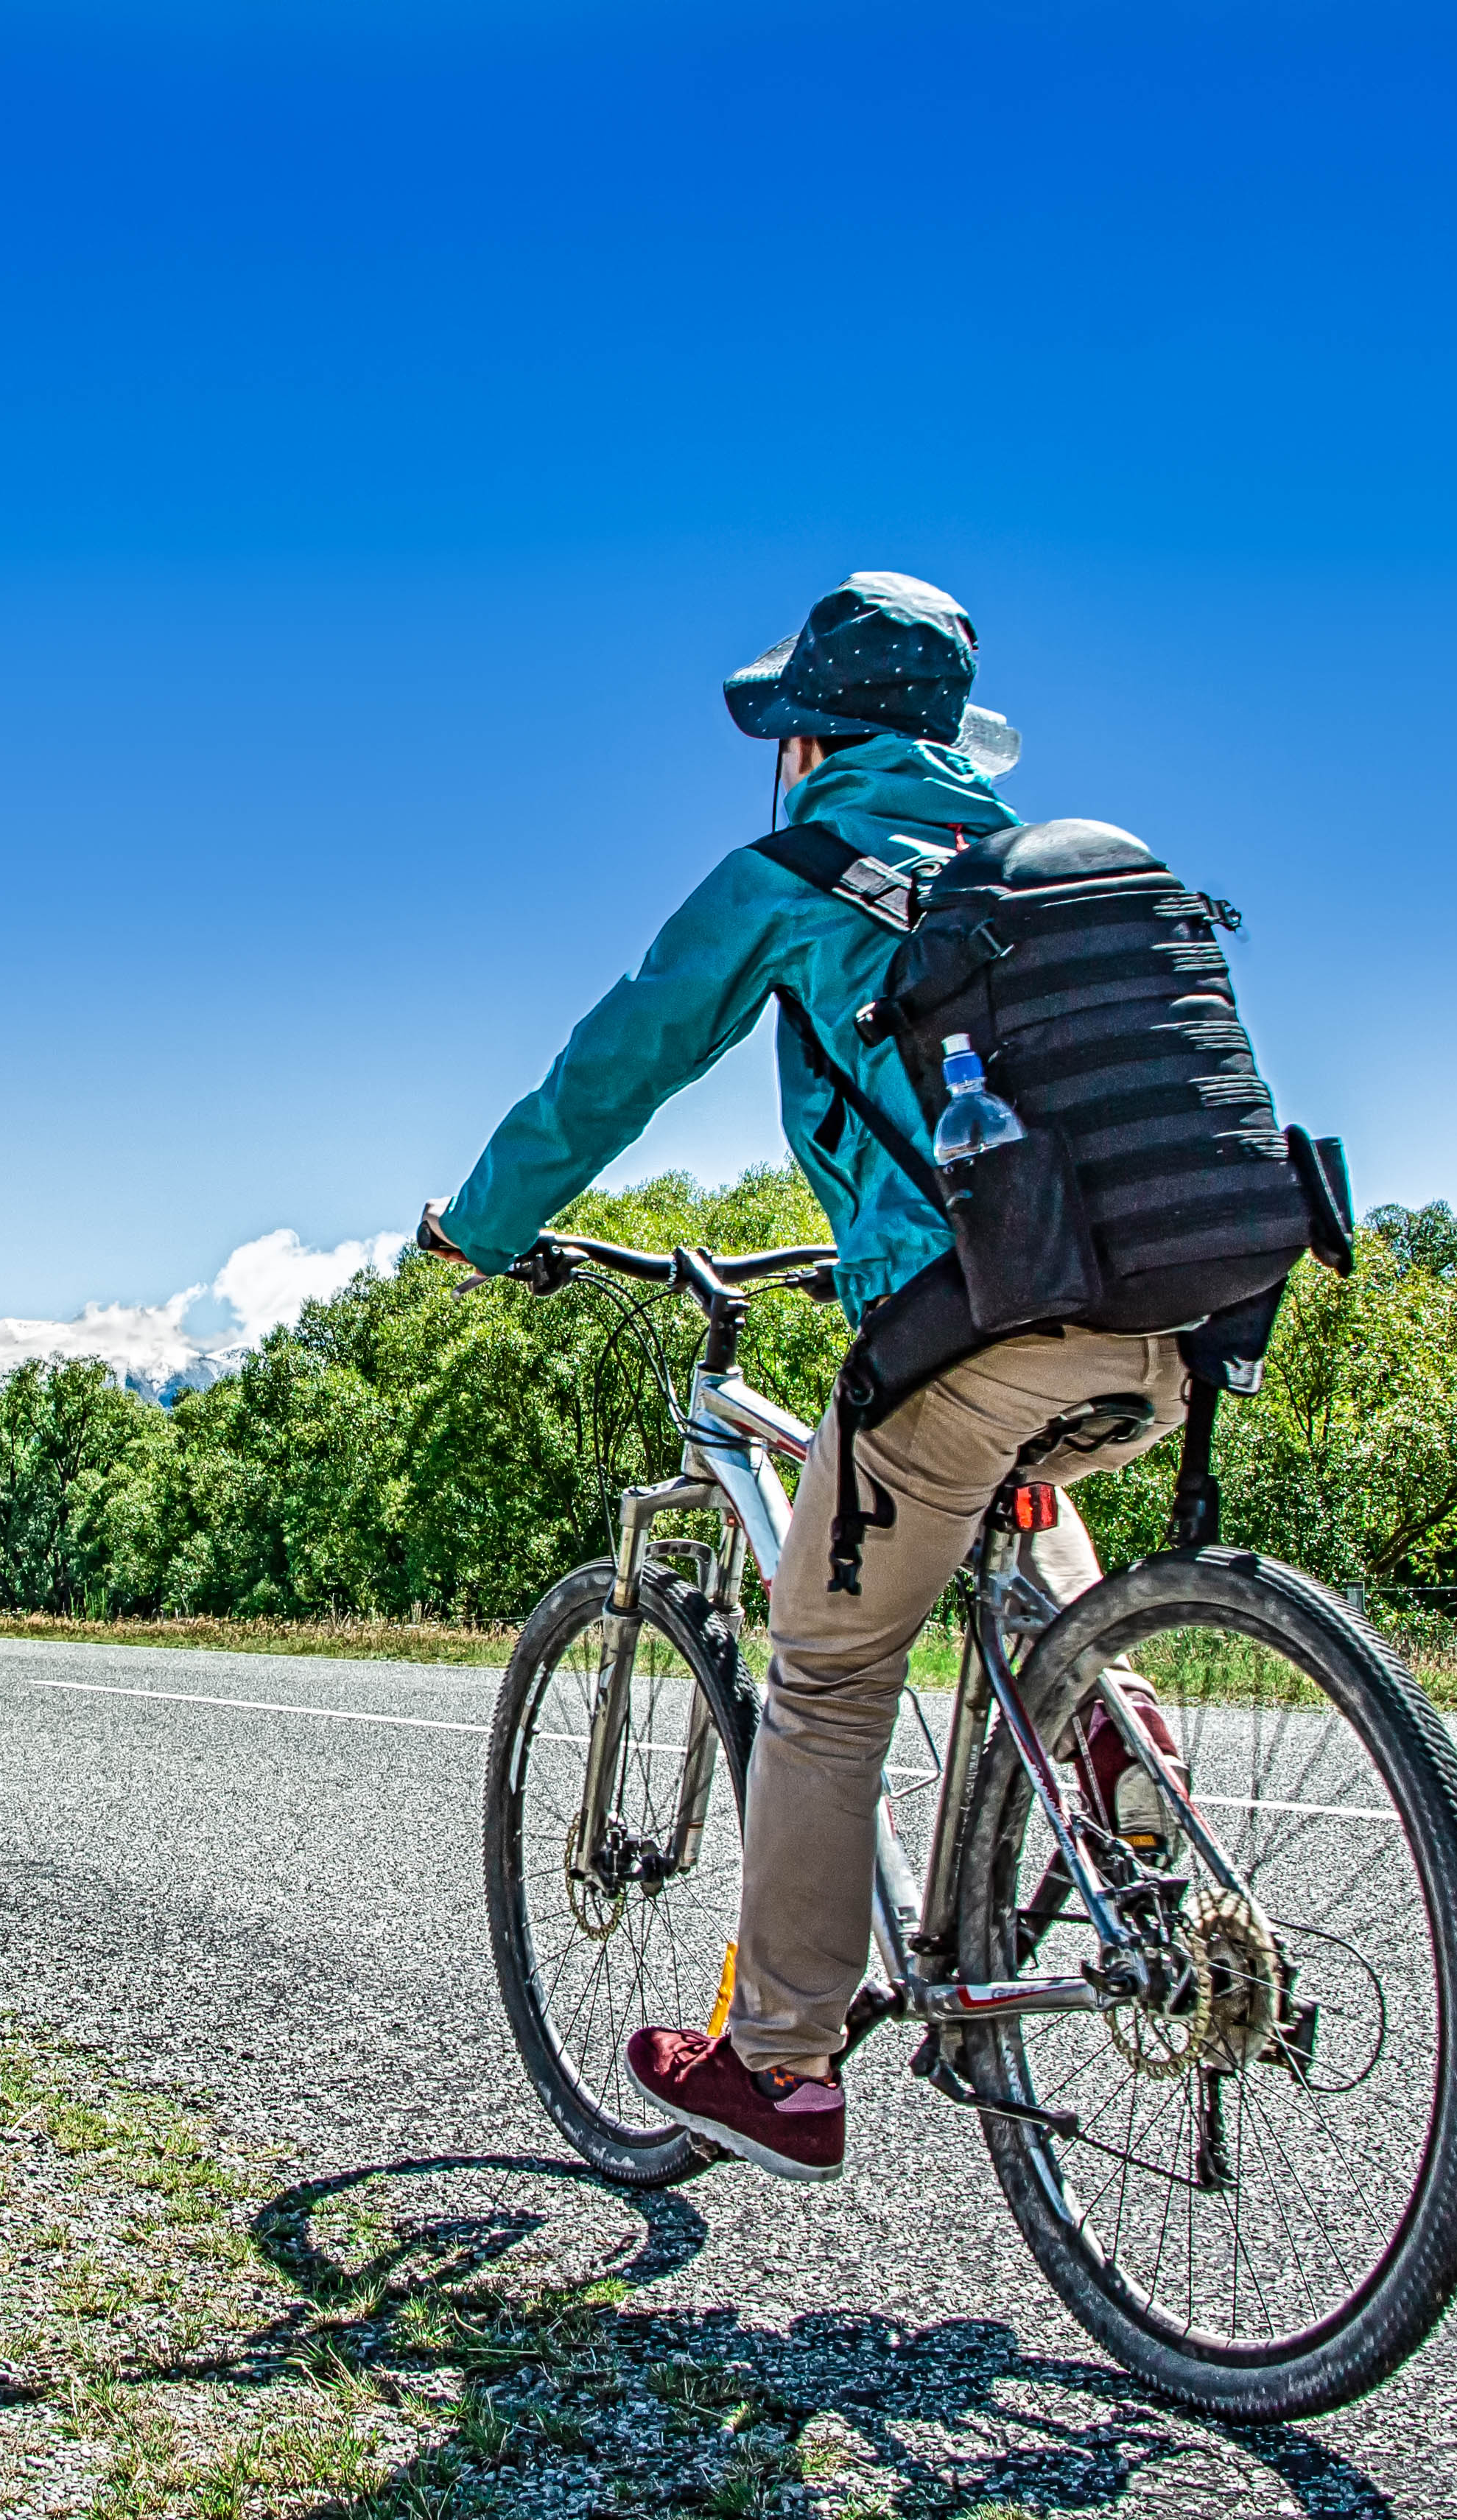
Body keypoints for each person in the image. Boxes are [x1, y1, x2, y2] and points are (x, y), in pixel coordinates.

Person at [421, 571, 1187, 2183]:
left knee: (832, 1671)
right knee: (1005, 1480)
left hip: (964, 1330)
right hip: (1157, 1322)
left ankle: (778, 2066)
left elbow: (614, 1066)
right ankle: (1114, 1728)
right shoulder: (1043, 874)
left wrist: (484, 1227)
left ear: (810, 739)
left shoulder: (796, 871)